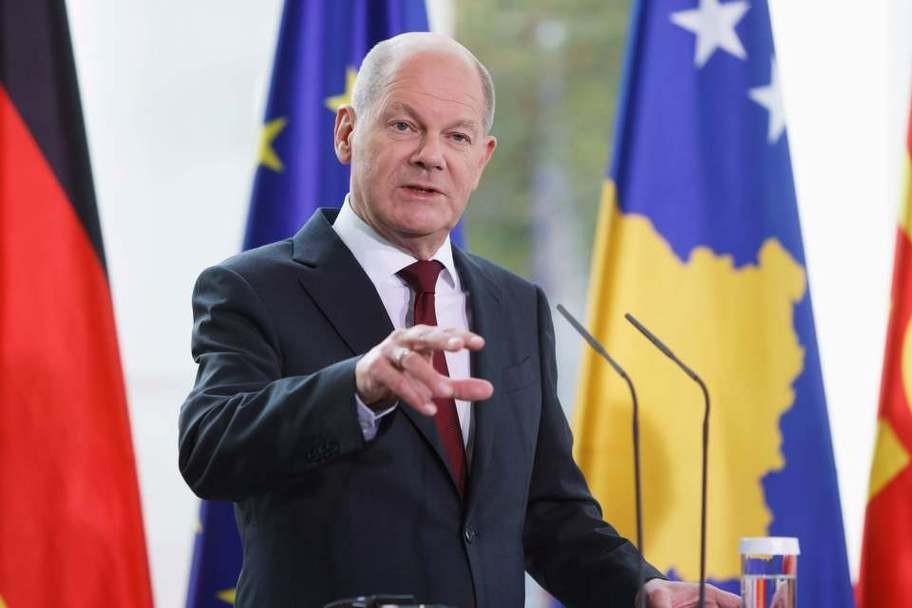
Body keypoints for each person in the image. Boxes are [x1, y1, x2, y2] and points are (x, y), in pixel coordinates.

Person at [178, 32, 740, 608]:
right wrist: (358, 386)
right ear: (346, 132)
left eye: (457, 136)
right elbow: (208, 448)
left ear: (482, 159)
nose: (431, 155)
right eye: (404, 126)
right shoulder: (254, 288)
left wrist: (641, 587)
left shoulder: (516, 305)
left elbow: (547, 510)